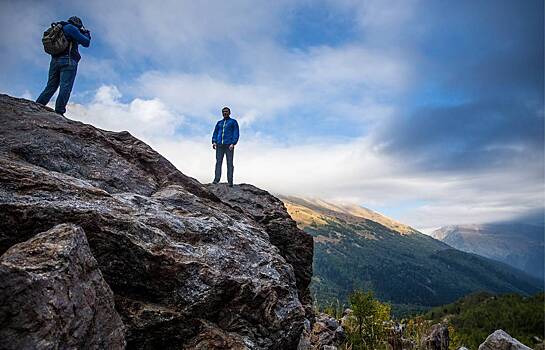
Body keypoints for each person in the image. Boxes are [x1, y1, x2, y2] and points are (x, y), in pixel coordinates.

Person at [36, 16, 91, 116]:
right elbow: (86, 42)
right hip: (68, 61)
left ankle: (37, 106)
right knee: (65, 87)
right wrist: (87, 33)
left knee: (51, 86)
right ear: (78, 23)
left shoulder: (61, 27)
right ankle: (59, 111)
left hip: (54, 61)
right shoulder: (71, 28)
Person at [212, 107, 239, 187]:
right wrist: (214, 141)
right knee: (218, 163)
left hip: (229, 145)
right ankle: (216, 180)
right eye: (223, 112)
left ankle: (230, 181)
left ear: (229, 113)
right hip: (219, 145)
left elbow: (236, 133)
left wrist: (233, 143)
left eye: (226, 111)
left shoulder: (233, 122)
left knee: (229, 163)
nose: (225, 113)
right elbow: (215, 132)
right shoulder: (219, 123)